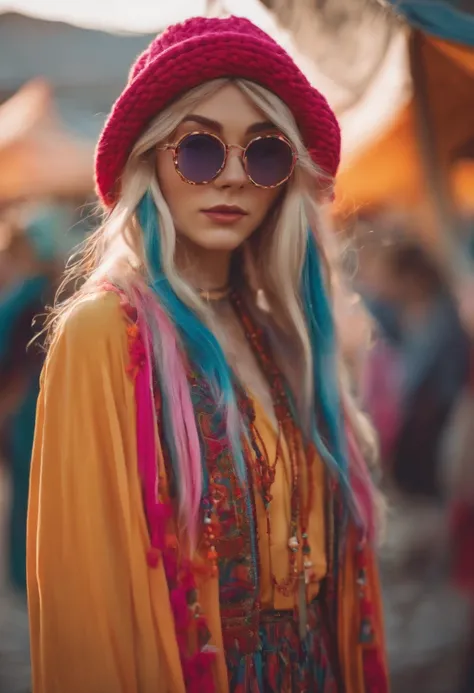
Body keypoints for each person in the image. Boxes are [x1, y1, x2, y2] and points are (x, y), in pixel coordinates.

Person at [27, 16, 388, 693]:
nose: (230, 178)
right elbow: (89, 620)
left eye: (265, 152)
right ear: (151, 159)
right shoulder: (105, 334)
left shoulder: (280, 333)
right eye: (197, 148)